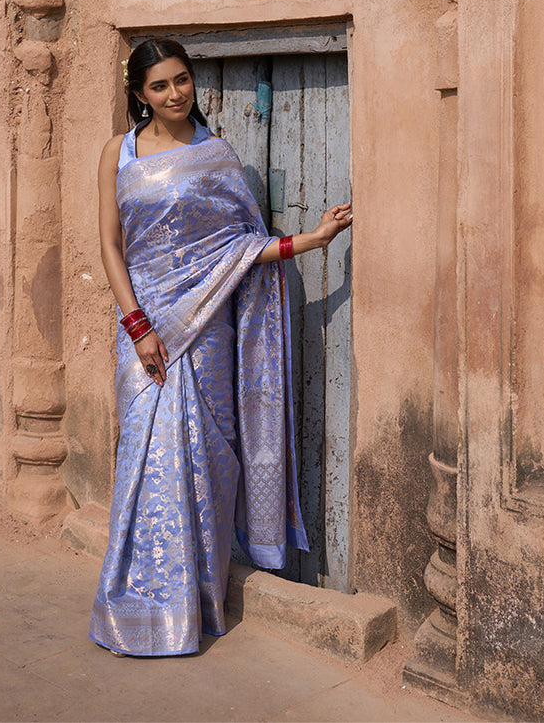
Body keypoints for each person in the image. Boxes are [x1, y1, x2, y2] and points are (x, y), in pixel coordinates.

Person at [88, 37, 353, 658]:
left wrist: (310, 241)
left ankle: (197, 605)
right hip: (145, 327)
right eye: (159, 86)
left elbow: (237, 251)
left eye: (182, 80)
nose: (175, 94)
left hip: (206, 332)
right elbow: (110, 245)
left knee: (204, 460)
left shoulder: (216, 154)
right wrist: (137, 325)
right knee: (144, 458)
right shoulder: (117, 154)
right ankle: (135, 607)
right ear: (138, 94)